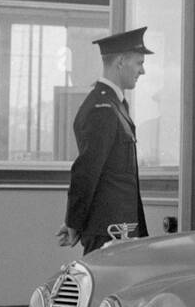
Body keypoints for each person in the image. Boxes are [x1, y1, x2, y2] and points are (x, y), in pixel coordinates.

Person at [58, 27, 150, 254]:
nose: (143, 70)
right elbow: (86, 171)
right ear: (120, 61)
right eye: (138, 63)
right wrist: (74, 222)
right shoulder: (102, 109)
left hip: (120, 230)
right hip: (109, 233)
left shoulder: (115, 105)